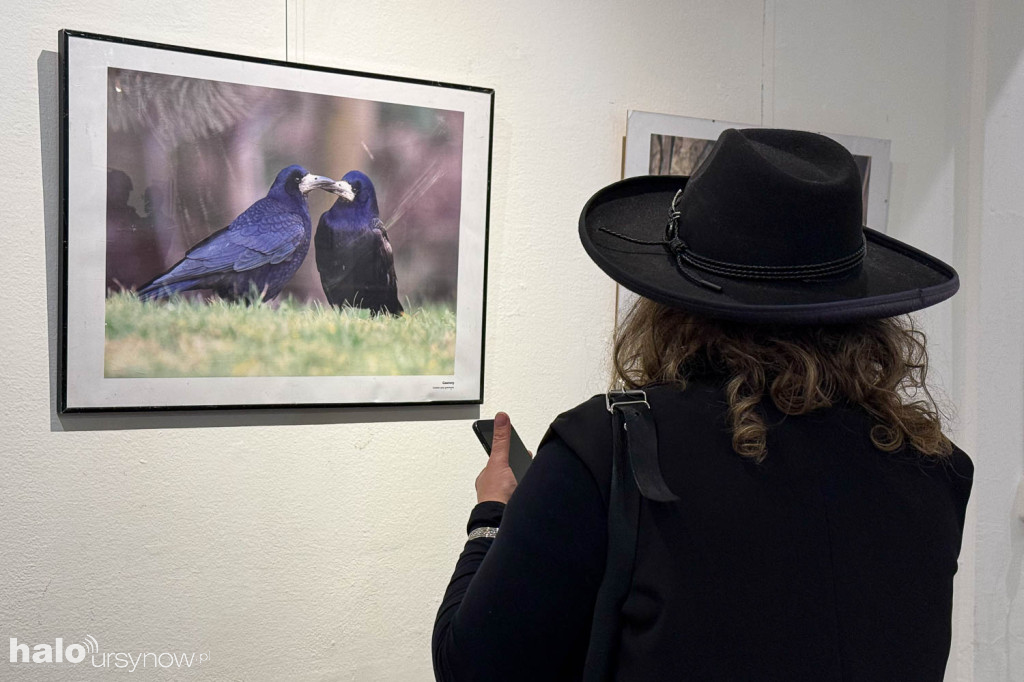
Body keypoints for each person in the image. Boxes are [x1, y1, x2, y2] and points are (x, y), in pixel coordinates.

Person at [432, 128, 973, 681]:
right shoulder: (936, 468)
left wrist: (492, 517)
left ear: (671, 303)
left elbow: (471, 668)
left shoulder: (607, 448)